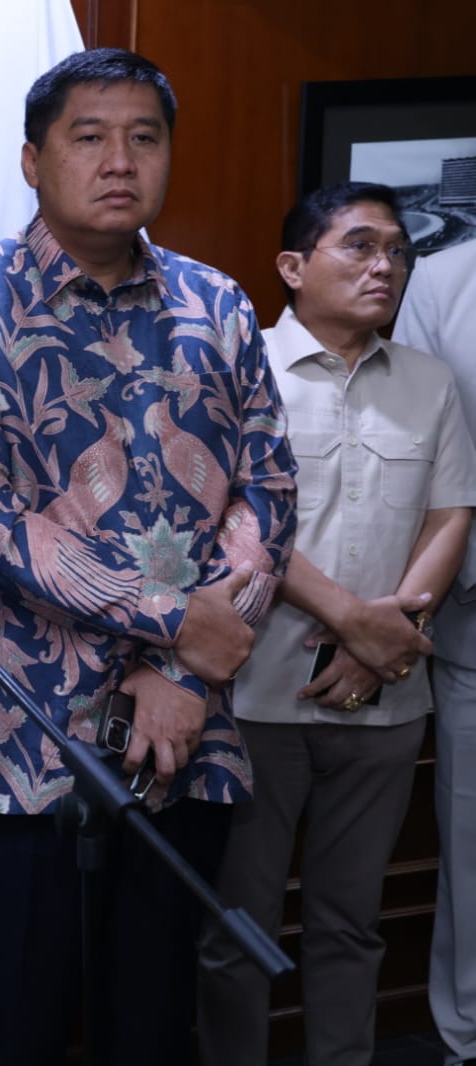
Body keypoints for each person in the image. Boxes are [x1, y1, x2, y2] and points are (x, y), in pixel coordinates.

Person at [0, 48, 297, 1066]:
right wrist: (178, 623)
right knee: (7, 1031)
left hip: (183, 748)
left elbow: (268, 491)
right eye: (89, 137)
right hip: (17, 750)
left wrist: (186, 673)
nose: (120, 160)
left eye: (143, 137)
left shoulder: (219, 304)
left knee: (151, 1029)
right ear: (32, 160)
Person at [195, 182, 476, 1065]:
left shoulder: (428, 382)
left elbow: (451, 516)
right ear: (292, 266)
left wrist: (381, 644)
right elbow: (231, 522)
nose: (383, 266)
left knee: (351, 924)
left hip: (386, 704)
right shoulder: (238, 369)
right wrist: (357, 622)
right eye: (358, 246)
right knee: (235, 930)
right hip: (253, 700)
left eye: (395, 250)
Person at [393, 234, 476, 1066]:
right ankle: (467, 1038)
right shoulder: (445, 279)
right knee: (471, 846)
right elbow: (417, 450)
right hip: (471, 615)